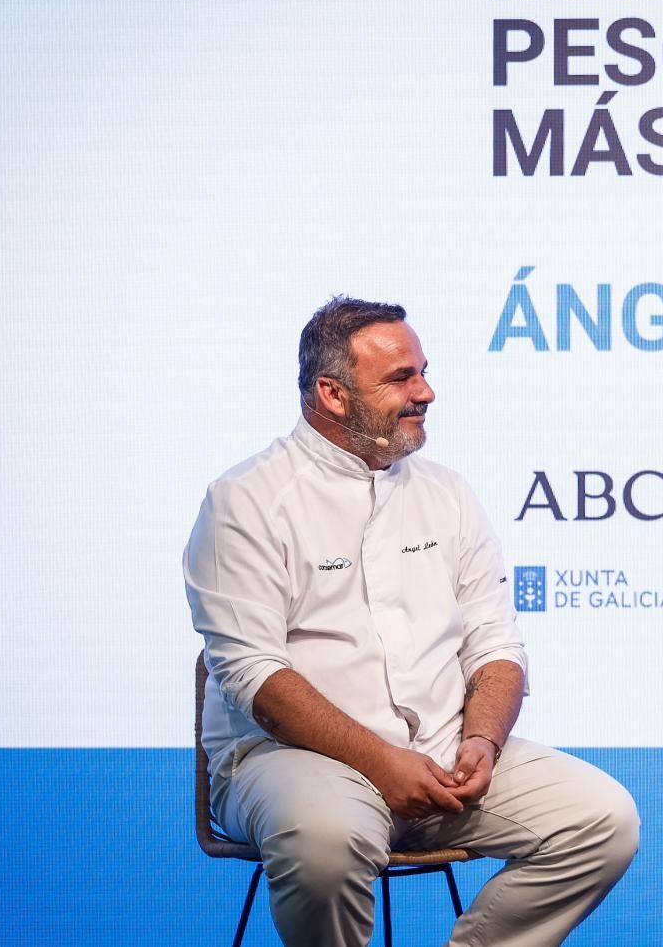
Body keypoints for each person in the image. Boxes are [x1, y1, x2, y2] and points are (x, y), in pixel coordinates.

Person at [185, 296, 639, 947]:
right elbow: (255, 679)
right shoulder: (246, 502)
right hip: (292, 761)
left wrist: (481, 742)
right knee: (324, 843)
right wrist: (383, 764)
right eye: (401, 378)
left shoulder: (447, 494)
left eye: (423, 371)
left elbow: (495, 645)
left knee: (602, 819)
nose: (425, 391)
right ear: (332, 394)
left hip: (443, 757)